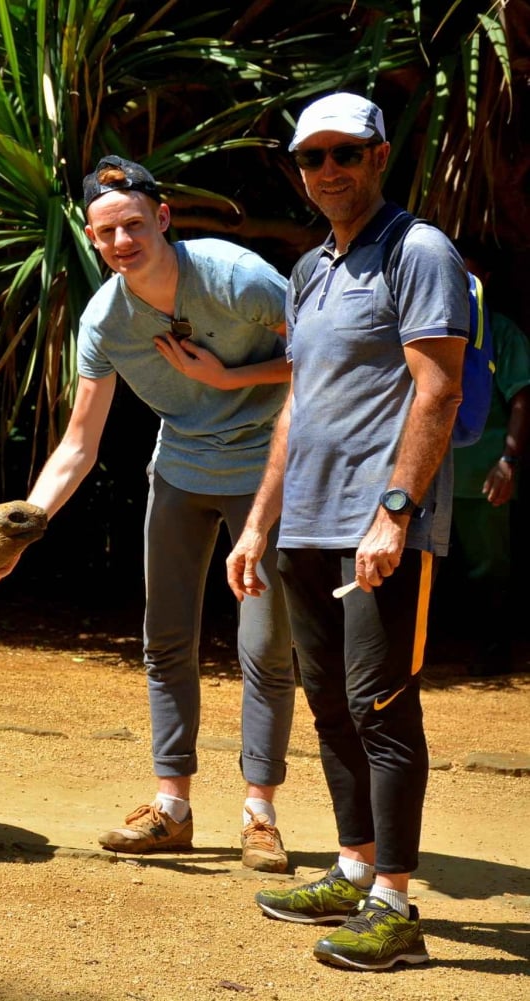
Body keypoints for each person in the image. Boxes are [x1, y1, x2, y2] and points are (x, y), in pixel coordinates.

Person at [0, 155, 297, 872]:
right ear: (93, 242)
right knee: (166, 638)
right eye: (106, 232)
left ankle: (260, 813)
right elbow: (77, 445)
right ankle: (172, 806)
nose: (122, 241)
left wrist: (229, 377)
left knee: (265, 641)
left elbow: (324, 358)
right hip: (181, 467)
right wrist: (16, 536)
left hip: (264, 470)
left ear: (162, 217)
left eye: (132, 224)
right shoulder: (105, 321)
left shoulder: (236, 276)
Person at [226, 92, 469, 971]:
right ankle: (353, 864)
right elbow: (298, 404)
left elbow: (437, 389)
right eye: (310, 157)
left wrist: (395, 511)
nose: (326, 170)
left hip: (379, 525)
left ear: (376, 155)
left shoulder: (419, 251)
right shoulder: (312, 268)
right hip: (305, 524)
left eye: (342, 153)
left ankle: (396, 906)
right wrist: (258, 523)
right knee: (327, 700)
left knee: (382, 705)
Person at [442, 239, 530, 676]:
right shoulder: (427, 330)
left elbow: (521, 397)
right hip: (431, 475)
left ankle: (492, 652)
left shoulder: (501, 331)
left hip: (482, 474)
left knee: (489, 567)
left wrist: (508, 462)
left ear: (487, 280)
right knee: (433, 566)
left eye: (470, 276)